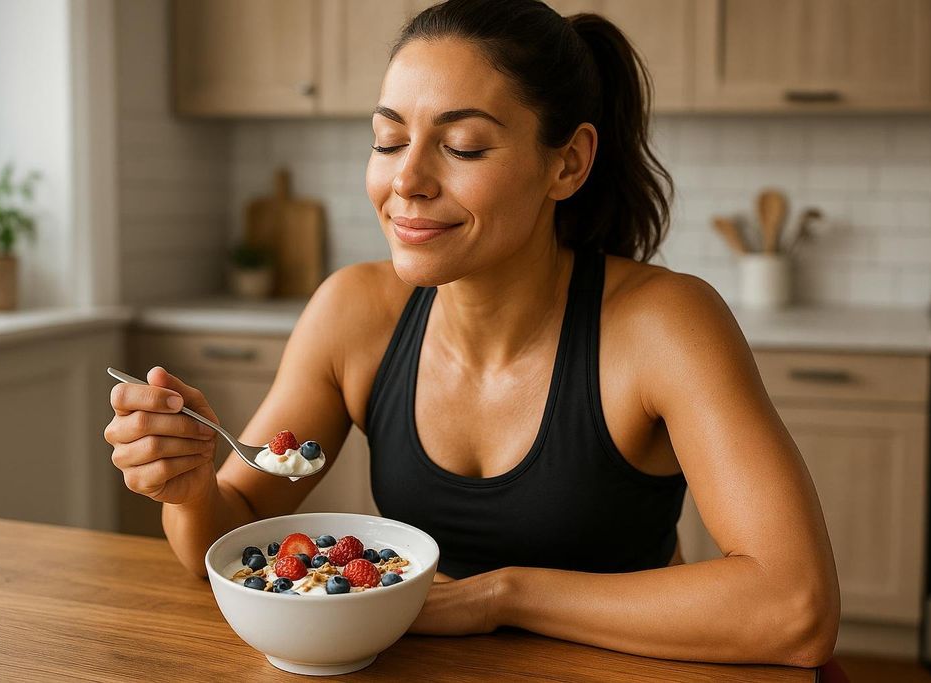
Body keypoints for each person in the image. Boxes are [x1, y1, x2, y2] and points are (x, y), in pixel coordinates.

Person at [104, 0, 839, 667]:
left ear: (568, 162)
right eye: (389, 140)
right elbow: (227, 539)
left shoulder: (663, 324)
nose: (407, 180)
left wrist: (500, 596)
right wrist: (192, 488)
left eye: (462, 146)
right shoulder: (354, 312)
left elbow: (795, 608)